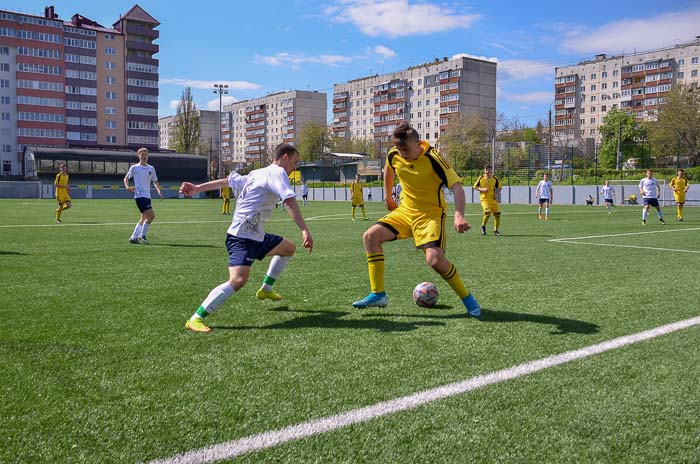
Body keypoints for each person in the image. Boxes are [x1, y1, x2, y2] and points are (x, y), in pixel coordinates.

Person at [180, 143, 313, 333]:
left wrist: (197, 188)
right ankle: (196, 318)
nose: (295, 167)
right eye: (295, 162)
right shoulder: (277, 173)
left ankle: (266, 289)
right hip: (241, 237)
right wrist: (304, 230)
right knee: (238, 280)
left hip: (256, 235)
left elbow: (227, 181)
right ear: (285, 157)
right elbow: (289, 200)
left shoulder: (257, 173)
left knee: (288, 248)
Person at [352, 122, 480, 317]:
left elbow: (456, 187)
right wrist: (388, 196)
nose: (402, 154)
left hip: (430, 214)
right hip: (405, 211)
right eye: (399, 149)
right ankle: (378, 294)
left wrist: (459, 214)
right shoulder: (394, 153)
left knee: (435, 260)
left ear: (418, 143)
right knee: (370, 237)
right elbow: (389, 170)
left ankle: (467, 297)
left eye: (406, 150)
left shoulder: (434, 158)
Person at [124, 147, 163, 244]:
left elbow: (155, 181)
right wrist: (127, 187)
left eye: (146, 154)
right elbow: (126, 178)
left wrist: (159, 191)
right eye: (142, 154)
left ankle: (133, 238)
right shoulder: (134, 168)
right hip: (140, 196)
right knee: (152, 216)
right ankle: (142, 235)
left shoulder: (151, 168)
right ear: (139, 156)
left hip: (147, 196)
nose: (144, 156)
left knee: (144, 218)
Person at [472, 164, 502, 235]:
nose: (487, 171)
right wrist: (482, 189)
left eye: (489, 169)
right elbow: (475, 186)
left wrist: (496, 194)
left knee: (497, 214)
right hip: (484, 200)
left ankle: (496, 231)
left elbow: (500, 187)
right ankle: (483, 226)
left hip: (493, 200)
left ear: (491, 170)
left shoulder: (495, 178)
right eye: (486, 170)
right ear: (484, 170)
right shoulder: (481, 177)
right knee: (487, 213)